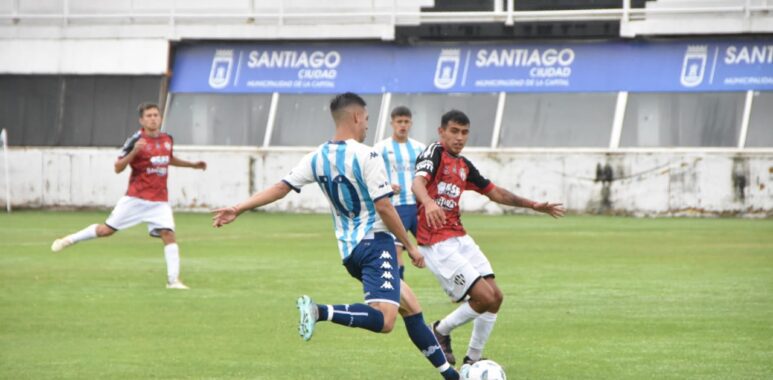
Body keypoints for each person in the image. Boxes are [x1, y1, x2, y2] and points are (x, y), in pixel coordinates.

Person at [211, 93, 459, 380]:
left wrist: (239, 207)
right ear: (356, 117)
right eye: (366, 119)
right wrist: (410, 246)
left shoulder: (317, 156)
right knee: (385, 320)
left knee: (412, 307)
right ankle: (319, 311)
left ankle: (451, 375)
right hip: (376, 243)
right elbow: (384, 208)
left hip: (349, 251)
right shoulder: (368, 155)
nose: (367, 125)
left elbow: (281, 187)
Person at [412, 109, 565, 367]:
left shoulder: (463, 166)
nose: (459, 138)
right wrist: (428, 202)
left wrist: (533, 205)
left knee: (496, 297)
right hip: (436, 242)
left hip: (459, 237)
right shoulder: (434, 152)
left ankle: (473, 360)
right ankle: (439, 330)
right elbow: (417, 183)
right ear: (442, 132)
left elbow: (496, 193)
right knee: (483, 297)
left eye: (464, 133)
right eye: (454, 131)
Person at [51, 103, 207, 290]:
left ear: (160, 118)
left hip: (159, 201)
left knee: (168, 234)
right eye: (148, 115)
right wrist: (134, 152)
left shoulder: (167, 139)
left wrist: (192, 165)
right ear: (142, 120)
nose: (153, 118)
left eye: (156, 115)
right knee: (106, 231)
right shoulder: (135, 139)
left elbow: (168, 158)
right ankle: (70, 239)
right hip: (136, 198)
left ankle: (173, 281)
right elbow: (118, 167)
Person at [373, 106, 425, 280]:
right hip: (396, 206)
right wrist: (387, 185)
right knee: (396, 251)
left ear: (411, 123)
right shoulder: (380, 148)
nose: (403, 125)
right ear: (392, 123)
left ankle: (458, 290)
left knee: (437, 248)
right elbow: (372, 175)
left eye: (406, 122)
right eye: (399, 122)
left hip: (418, 208)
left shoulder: (419, 148)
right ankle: (400, 292)